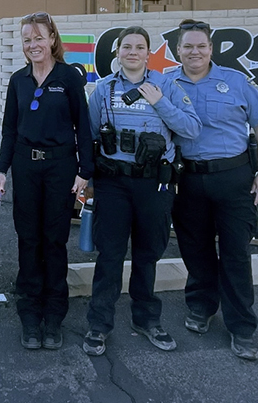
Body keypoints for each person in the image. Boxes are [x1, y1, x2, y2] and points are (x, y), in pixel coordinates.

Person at [83, 26, 201, 357]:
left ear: (148, 53)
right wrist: (88, 181)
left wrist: (160, 103)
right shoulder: (103, 90)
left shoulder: (167, 86)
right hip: (113, 184)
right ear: (117, 53)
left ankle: (147, 319)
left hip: (154, 184)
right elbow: (90, 136)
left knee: (148, 255)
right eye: (126, 47)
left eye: (139, 47)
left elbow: (191, 129)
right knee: (109, 256)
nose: (132, 52)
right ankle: (98, 324)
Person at [0, 12, 93, 350]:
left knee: (54, 241)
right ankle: (30, 313)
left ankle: (54, 315)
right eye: (27, 40)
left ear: (52, 39)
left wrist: (84, 171)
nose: (32, 45)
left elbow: (84, 127)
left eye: (38, 38)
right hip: (25, 167)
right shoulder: (18, 81)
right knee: (28, 240)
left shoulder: (69, 78)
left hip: (60, 169)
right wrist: (0, 169)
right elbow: (8, 130)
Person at [168, 19, 258, 360]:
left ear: (211, 48)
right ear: (178, 50)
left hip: (234, 178)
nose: (195, 52)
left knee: (235, 252)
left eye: (201, 46)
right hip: (188, 179)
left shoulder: (235, 82)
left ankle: (242, 327)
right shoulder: (164, 83)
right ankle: (201, 305)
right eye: (188, 46)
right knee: (195, 248)